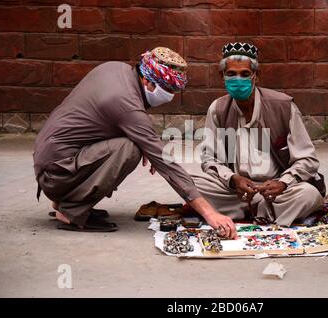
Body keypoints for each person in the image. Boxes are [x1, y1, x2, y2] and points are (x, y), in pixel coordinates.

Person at [33, 47, 237, 237]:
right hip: (56, 174)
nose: (171, 96)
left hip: (52, 161)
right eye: (168, 90)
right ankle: (71, 211)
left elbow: (104, 119)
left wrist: (142, 139)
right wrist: (210, 214)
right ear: (148, 82)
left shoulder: (115, 69)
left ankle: (65, 201)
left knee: (134, 142)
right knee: (130, 149)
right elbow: (166, 162)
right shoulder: (125, 103)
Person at [192, 42, 325, 226]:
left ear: (256, 76)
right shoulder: (218, 109)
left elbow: (308, 159)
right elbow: (209, 158)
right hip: (237, 190)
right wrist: (233, 179)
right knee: (190, 185)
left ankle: (251, 209)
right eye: (231, 74)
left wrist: (284, 183)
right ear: (222, 76)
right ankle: (262, 210)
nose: (238, 79)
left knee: (309, 195)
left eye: (245, 74)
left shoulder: (283, 106)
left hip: (277, 190)